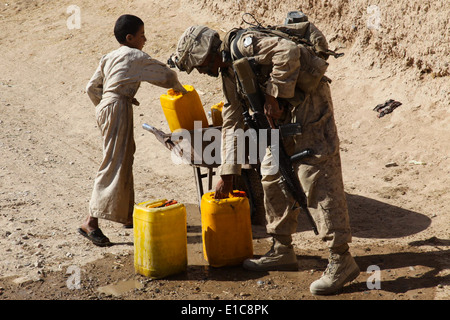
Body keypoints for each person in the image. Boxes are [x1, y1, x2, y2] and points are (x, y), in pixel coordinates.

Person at [171, 22, 360, 295]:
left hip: (309, 107)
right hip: (278, 118)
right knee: (273, 176)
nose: (201, 71)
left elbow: (288, 52)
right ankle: (282, 248)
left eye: (200, 65)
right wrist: (228, 172)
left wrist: (274, 93)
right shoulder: (228, 73)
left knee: (316, 177)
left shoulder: (245, 44)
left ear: (208, 55)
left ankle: (341, 258)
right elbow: (232, 120)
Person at [78, 14, 186, 247]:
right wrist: (180, 90)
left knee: (124, 158)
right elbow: (166, 75)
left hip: (108, 107)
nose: (145, 39)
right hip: (117, 107)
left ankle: (127, 215)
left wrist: (105, 106)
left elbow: (91, 87)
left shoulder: (109, 57)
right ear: (130, 38)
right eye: (141, 35)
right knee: (114, 162)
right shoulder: (134, 56)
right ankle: (90, 222)